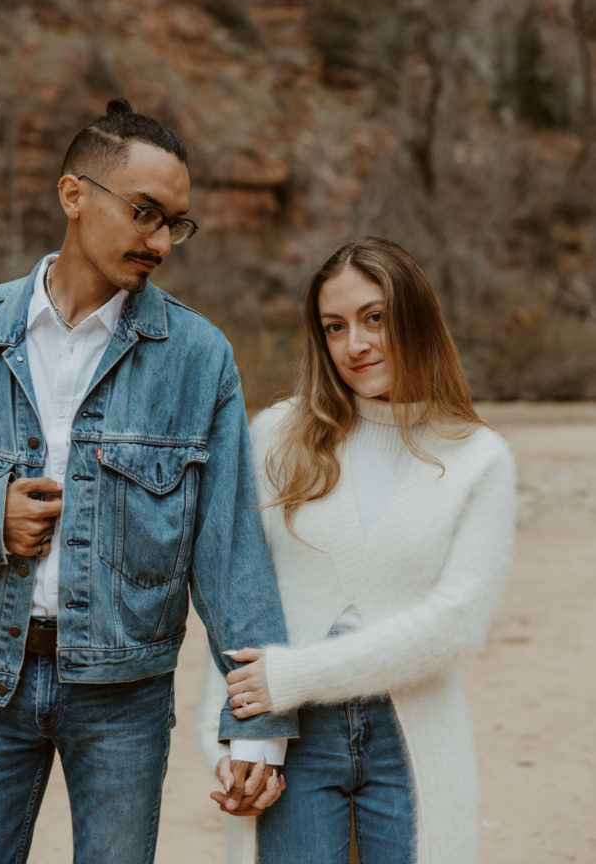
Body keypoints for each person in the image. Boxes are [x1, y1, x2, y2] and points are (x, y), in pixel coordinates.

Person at [0, 98, 296, 864]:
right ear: (73, 193)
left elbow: (227, 547)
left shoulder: (198, 357)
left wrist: (258, 719)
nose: (160, 242)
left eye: (175, 224)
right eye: (146, 214)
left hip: (126, 694)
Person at [200, 235, 517, 864]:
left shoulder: (480, 459)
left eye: (375, 318)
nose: (355, 344)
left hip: (411, 733)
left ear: (416, 317)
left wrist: (294, 676)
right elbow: (236, 593)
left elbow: (457, 621)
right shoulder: (277, 438)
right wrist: (229, 745)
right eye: (334, 326)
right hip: (289, 735)